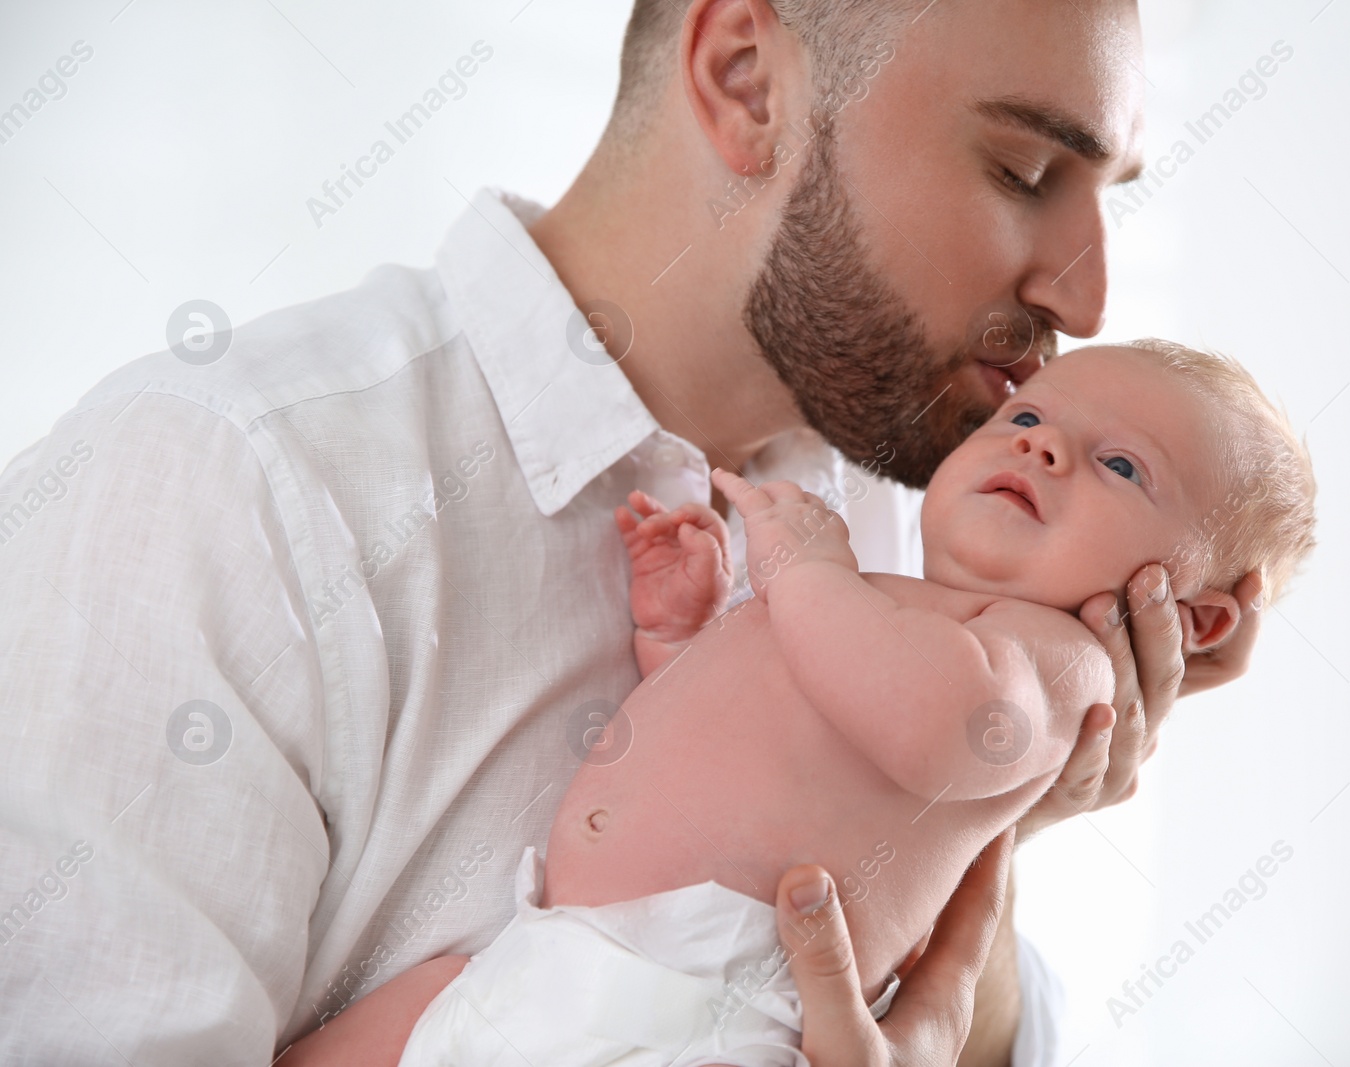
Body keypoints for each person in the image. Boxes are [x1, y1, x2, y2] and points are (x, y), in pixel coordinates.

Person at [0, 2, 1264, 1064]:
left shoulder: (941, 511)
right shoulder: (225, 488)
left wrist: (993, 828)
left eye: (1106, 201)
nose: (1085, 297)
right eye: (1027, 174)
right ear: (745, 80)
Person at [275, 341, 1313, 1066]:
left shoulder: (1053, 663)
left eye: (1122, 464)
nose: (1042, 446)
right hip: (537, 955)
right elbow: (755, 731)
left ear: (1196, 618)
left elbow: (924, 718)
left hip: (708, 1011)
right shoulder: (889, 599)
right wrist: (682, 635)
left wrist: (806, 570)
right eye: (1028, 416)